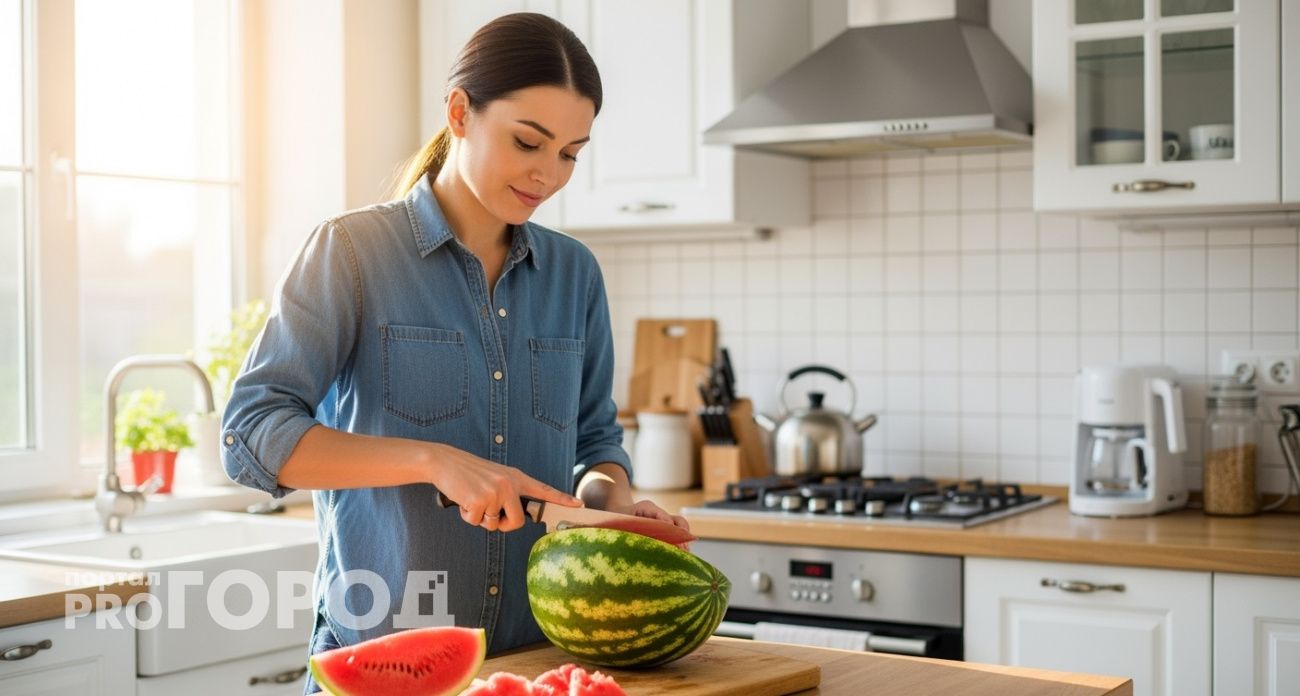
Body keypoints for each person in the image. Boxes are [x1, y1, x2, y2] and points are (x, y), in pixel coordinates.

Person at [218, 13, 689, 694]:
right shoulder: (351, 252)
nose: (548, 174)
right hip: (387, 661)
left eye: (570, 153)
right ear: (460, 113)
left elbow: (593, 439)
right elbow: (251, 436)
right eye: (528, 142)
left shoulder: (575, 273)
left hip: (536, 668)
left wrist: (613, 502)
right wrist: (433, 461)